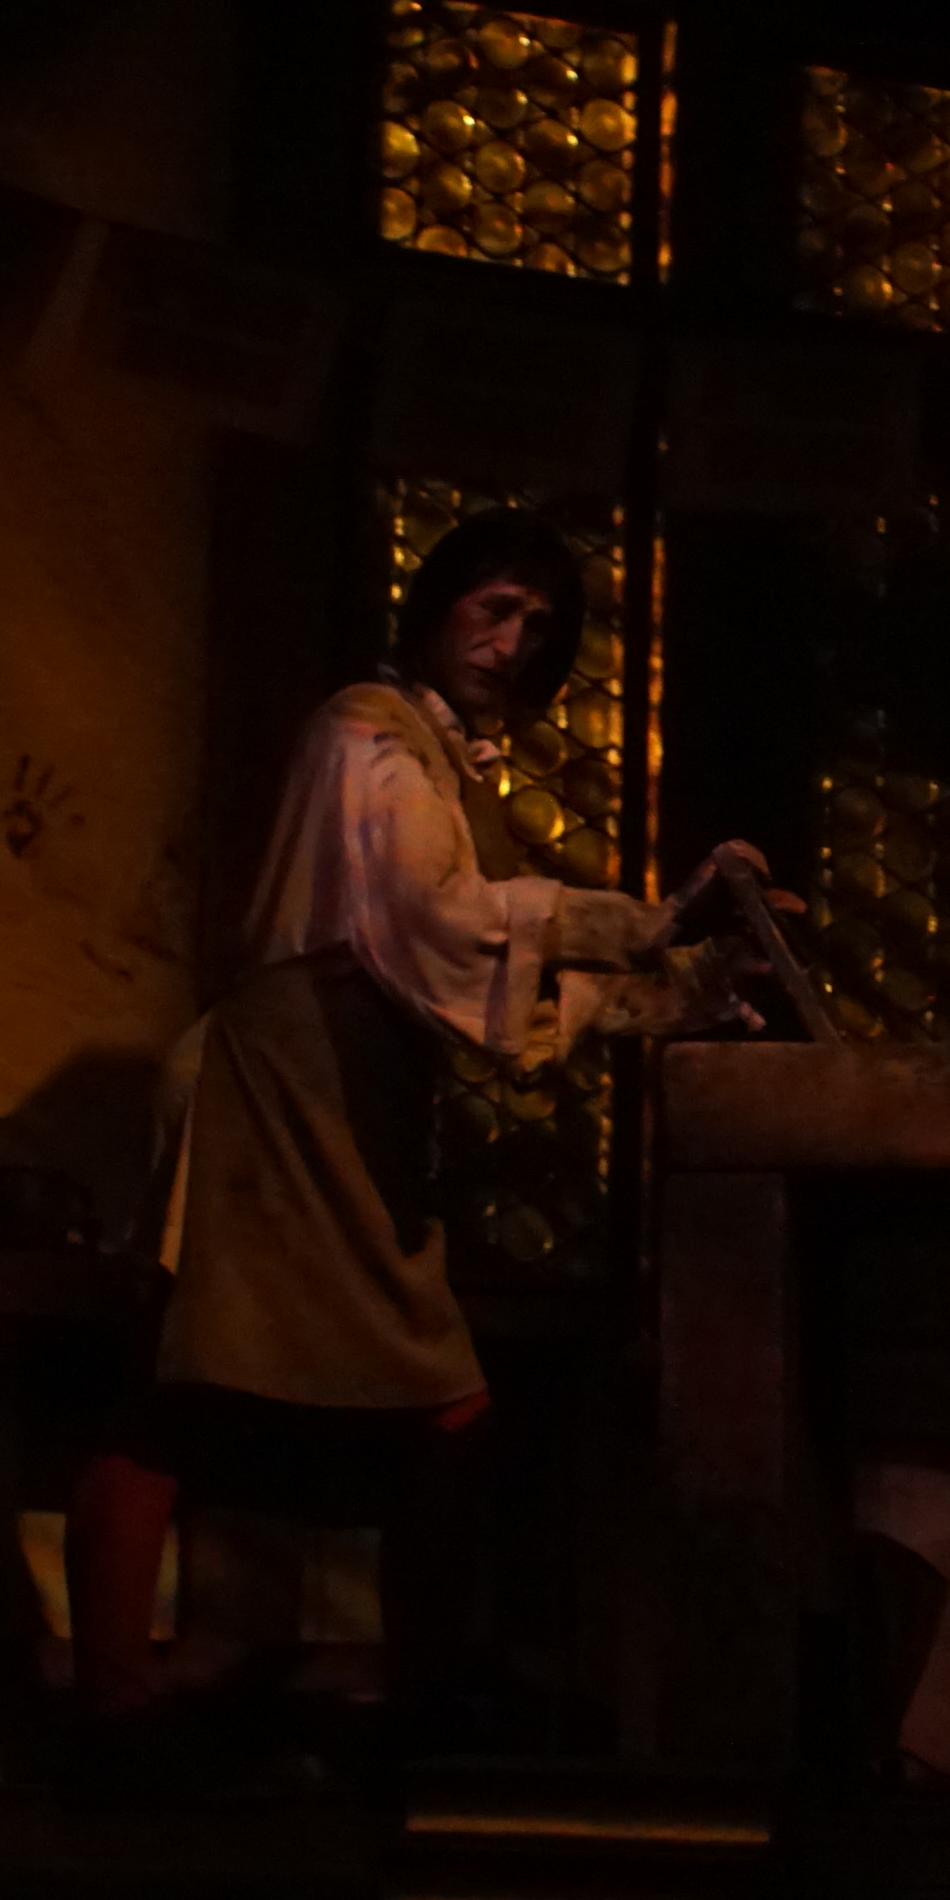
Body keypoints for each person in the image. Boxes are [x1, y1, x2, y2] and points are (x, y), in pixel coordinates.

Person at [51, 512, 762, 1741]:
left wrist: (678, 990)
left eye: (538, 626)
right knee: (195, 1388)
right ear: (436, 607)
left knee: (438, 1412)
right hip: (279, 1095)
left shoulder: (441, 761)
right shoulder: (364, 735)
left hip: (357, 1099)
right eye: (493, 610)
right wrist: (647, 924)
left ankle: (423, 1692)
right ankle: (116, 1692)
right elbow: (438, 918)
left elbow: (479, 980)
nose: (510, 644)